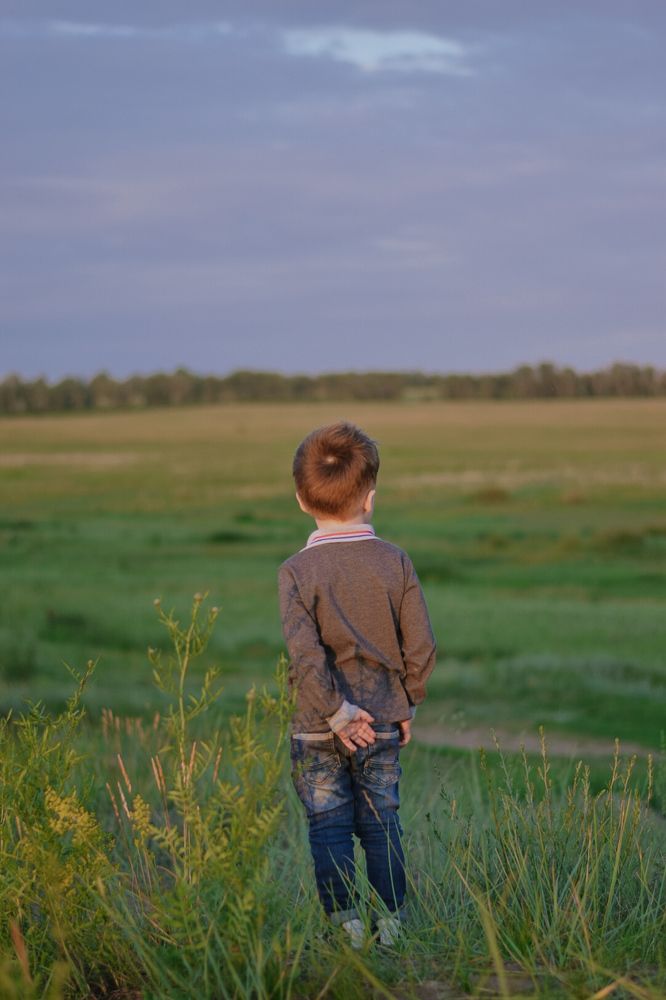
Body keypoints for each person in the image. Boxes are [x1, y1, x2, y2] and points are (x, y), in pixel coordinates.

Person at [278, 420, 436, 949]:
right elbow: (421, 646)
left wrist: (336, 712)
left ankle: (346, 930)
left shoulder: (296, 571)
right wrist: (408, 699)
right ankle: (391, 928)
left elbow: (305, 655)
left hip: (315, 724)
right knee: (381, 822)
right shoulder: (395, 561)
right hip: (383, 717)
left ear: (302, 499)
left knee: (327, 826)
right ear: (370, 497)